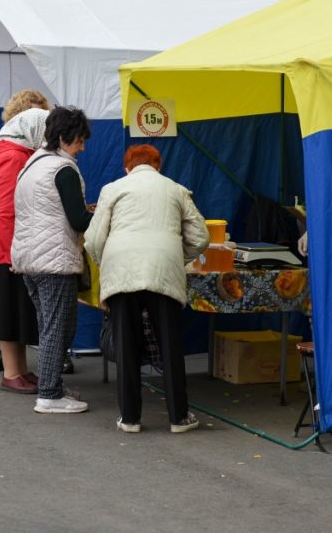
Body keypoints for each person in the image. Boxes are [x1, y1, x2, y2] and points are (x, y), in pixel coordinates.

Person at [84, 144, 210, 433]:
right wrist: (180, 257)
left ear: (127, 167)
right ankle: (179, 418)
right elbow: (201, 236)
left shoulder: (112, 189)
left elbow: (93, 240)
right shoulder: (176, 189)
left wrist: (107, 264)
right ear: (158, 165)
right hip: (163, 267)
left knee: (127, 344)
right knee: (169, 345)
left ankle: (129, 418)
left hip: (122, 269)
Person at [11, 106, 93, 414]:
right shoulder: (63, 169)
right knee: (58, 328)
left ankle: (52, 386)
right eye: (79, 140)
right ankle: (48, 394)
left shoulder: (32, 164)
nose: (82, 147)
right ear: (63, 137)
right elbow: (78, 220)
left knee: (50, 326)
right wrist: (100, 216)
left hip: (29, 258)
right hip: (54, 260)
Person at [0, 89, 51, 375]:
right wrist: (16, 254)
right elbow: (6, 211)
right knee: (11, 315)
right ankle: (14, 374)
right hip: (10, 250)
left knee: (15, 316)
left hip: (8, 247)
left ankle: (18, 372)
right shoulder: (14, 157)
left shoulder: (9, 151)